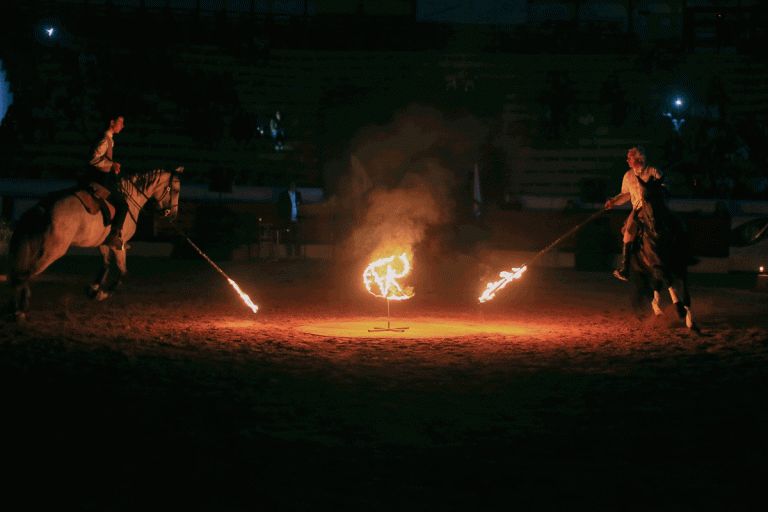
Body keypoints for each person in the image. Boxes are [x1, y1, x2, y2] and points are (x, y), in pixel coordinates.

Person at [604, 146, 663, 281]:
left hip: (653, 208)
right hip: (637, 209)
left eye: (630, 157)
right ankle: (625, 268)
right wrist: (613, 201)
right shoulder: (628, 175)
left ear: (639, 158)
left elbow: (665, 187)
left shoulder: (652, 171)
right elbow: (625, 194)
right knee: (629, 230)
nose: (627, 160)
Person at [87, 114, 129, 250]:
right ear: (112, 122)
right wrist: (111, 165)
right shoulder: (105, 139)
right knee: (123, 206)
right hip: (101, 180)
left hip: (105, 176)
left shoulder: (109, 139)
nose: (122, 126)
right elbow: (93, 159)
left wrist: (112, 167)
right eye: (120, 122)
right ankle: (113, 236)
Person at [276, 180, 302, 259]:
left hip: (296, 219)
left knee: (297, 237)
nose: (293, 186)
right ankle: (289, 255)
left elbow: (301, 205)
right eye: (292, 185)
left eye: (294, 185)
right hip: (288, 220)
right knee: (289, 237)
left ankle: (298, 254)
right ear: (289, 185)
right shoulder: (284, 195)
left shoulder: (298, 194)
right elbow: (280, 207)